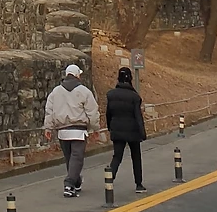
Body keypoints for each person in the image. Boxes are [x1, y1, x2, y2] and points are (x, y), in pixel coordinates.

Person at [42, 62, 100, 198]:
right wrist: (95, 128)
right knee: (77, 158)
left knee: (70, 158)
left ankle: (76, 182)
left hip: (62, 130)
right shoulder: (84, 91)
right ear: (77, 75)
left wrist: (48, 127)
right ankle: (69, 184)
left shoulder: (56, 92)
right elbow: (92, 112)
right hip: (78, 130)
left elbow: (49, 110)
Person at [106, 65, 147, 193]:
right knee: (136, 156)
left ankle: (110, 177)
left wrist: (110, 127)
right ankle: (139, 184)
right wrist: (142, 132)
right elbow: (138, 116)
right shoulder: (134, 97)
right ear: (130, 79)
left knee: (117, 156)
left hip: (117, 128)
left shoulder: (111, 95)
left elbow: (108, 113)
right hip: (132, 130)